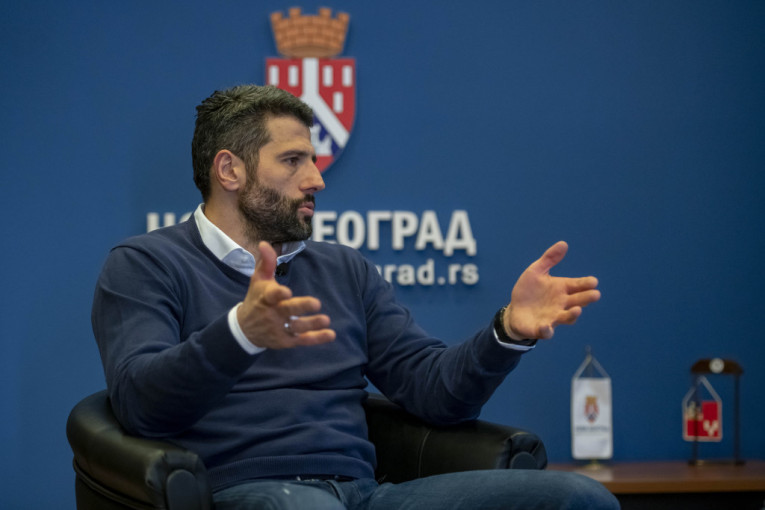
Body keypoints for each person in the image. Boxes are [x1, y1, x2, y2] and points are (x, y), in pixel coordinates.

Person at [92, 84, 619, 510]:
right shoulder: (146, 264)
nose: (316, 180)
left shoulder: (343, 269)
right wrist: (239, 334)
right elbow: (141, 406)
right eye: (293, 161)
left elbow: (435, 393)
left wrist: (506, 332)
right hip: (245, 491)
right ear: (229, 170)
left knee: (578, 498)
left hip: (364, 493)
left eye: (313, 160)